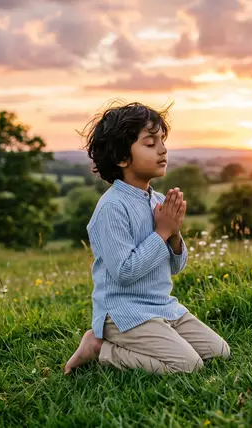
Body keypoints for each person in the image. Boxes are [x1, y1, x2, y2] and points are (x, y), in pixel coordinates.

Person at [64, 101, 230, 374]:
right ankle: (99, 348)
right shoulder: (111, 208)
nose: (163, 149)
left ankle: (153, 338)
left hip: (163, 308)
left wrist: (174, 233)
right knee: (189, 366)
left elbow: (176, 266)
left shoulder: (159, 201)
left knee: (219, 353)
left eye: (163, 141)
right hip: (124, 314)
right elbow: (125, 272)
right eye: (150, 143)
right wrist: (162, 231)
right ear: (121, 158)